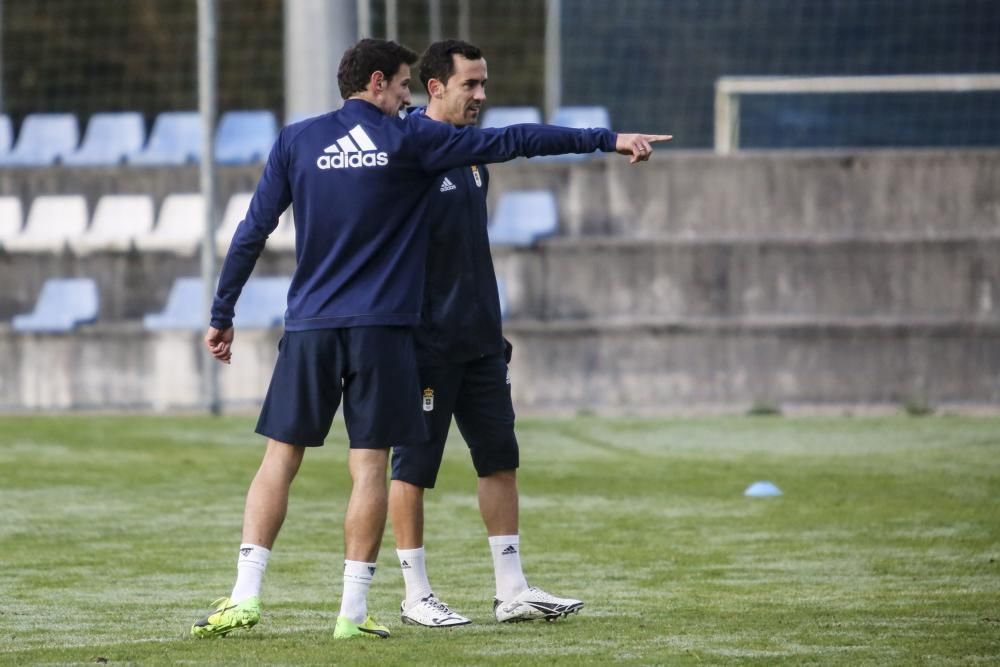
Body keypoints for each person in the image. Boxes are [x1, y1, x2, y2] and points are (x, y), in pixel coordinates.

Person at [189, 37, 670, 641]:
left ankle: (243, 596)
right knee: (368, 467)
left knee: (279, 459)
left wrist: (221, 310)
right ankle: (352, 615)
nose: (407, 96)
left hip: (310, 325)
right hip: (382, 331)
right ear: (377, 84)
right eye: (402, 86)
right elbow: (515, 141)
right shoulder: (409, 140)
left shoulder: (297, 140)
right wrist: (606, 138)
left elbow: (253, 229)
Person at [388, 39, 607, 628]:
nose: (482, 96)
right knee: (412, 467)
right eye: (471, 85)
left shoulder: (472, 155)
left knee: (499, 459)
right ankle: (415, 596)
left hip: (481, 339)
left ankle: (511, 588)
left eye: (484, 85)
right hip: (425, 343)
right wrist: (605, 138)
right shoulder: (409, 150)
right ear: (435, 87)